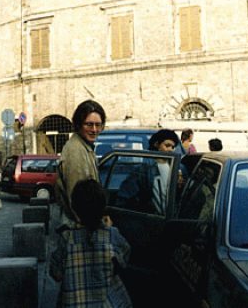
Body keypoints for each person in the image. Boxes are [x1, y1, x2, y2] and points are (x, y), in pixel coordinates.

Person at [50, 179, 132, 308]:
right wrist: (108, 228)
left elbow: (56, 274)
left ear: (75, 208)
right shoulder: (112, 235)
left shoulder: (67, 237)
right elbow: (124, 261)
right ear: (103, 207)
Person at [56, 99, 106, 222]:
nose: (94, 129)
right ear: (78, 124)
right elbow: (78, 201)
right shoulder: (76, 152)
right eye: (89, 124)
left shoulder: (85, 146)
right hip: (81, 227)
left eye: (98, 125)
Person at [116, 129, 181, 215]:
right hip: (153, 219)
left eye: (173, 147)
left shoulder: (178, 168)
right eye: (167, 145)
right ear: (156, 144)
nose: (170, 150)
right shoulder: (145, 168)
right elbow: (126, 194)